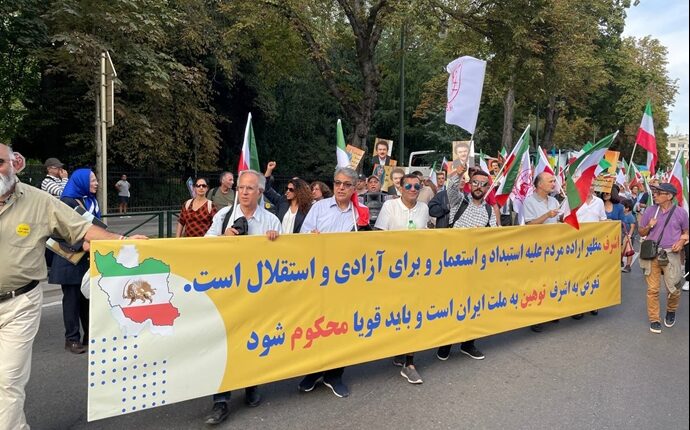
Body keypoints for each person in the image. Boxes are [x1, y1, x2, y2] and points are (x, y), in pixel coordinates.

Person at [0, 144, 146, 430]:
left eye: (0, 162)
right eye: (91, 179)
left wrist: (122, 241)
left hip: (19, 304)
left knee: (7, 380)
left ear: (15, 163)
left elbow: (81, 228)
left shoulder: (40, 200)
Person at [203, 170, 281, 424]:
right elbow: (203, 246)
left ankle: (251, 386)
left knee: (253, 340)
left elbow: (283, 258)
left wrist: (276, 242)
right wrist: (222, 238)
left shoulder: (271, 220)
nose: (244, 192)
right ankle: (220, 400)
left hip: (257, 293)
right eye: (241, 188)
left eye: (250, 188)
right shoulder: (224, 216)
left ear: (260, 192)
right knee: (224, 343)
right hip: (226, 291)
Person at [297, 167, 363, 398]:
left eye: (346, 184)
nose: (341, 188)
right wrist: (311, 239)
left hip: (346, 280)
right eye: (337, 183)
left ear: (354, 188)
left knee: (342, 327)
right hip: (319, 279)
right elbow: (302, 237)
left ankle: (334, 375)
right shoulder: (319, 207)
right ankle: (313, 371)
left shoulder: (359, 213)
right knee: (317, 325)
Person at [374, 173, 429, 384]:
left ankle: (409, 362)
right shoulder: (390, 206)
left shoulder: (424, 208)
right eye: (408, 186)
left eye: (417, 186)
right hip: (393, 272)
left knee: (413, 313)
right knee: (395, 312)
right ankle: (398, 347)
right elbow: (379, 236)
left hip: (416, 271)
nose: (413, 189)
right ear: (400, 188)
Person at [436, 167, 495, 361]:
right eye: (475, 182)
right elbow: (451, 187)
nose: (479, 187)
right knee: (451, 306)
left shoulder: (489, 210)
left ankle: (468, 344)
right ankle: (445, 344)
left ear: (487, 188)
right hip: (454, 264)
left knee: (474, 306)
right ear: (470, 184)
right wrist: (458, 173)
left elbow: (495, 236)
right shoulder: (459, 202)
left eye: (483, 184)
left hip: (476, 267)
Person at [49, 168, 103, 354]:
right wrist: (82, 244)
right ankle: (71, 339)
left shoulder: (88, 201)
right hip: (69, 259)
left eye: (96, 180)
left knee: (87, 299)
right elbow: (59, 232)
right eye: (92, 180)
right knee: (72, 301)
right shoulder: (66, 202)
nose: (96, 183)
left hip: (85, 259)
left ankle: (89, 335)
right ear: (81, 182)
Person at [637, 183, 689, 334]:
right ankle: (654, 319)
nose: (655, 195)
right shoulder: (650, 210)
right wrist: (649, 226)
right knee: (652, 289)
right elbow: (641, 232)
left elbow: (686, 232)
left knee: (674, 289)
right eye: (655, 192)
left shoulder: (681, 213)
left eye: (659, 193)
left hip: (671, 254)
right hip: (651, 254)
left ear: (669, 196)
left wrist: (681, 242)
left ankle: (671, 310)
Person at [524, 172, 561, 332]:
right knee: (537, 284)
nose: (554, 184)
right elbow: (529, 225)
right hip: (537, 250)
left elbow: (558, 222)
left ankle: (550, 312)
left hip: (554, 249)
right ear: (540, 184)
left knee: (552, 281)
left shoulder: (554, 201)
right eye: (550, 181)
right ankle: (536, 318)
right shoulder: (529, 201)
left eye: (553, 181)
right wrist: (546, 215)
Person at [263, 161, 311, 234]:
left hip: (297, 240)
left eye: (291, 189)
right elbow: (266, 189)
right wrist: (269, 170)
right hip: (279, 240)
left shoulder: (307, 208)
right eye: (287, 189)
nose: (288, 191)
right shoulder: (282, 201)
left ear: (299, 191)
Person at [621, 199, 637, 273]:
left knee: (629, 251)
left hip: (628, 236)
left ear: (627, 208)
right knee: (622, 249)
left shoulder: (630, 217)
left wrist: (629, 236)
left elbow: (632, 227)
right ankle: (621, 261)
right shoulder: (621, 215)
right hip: (622, 235)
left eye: (623, 206)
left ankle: (628, 265)